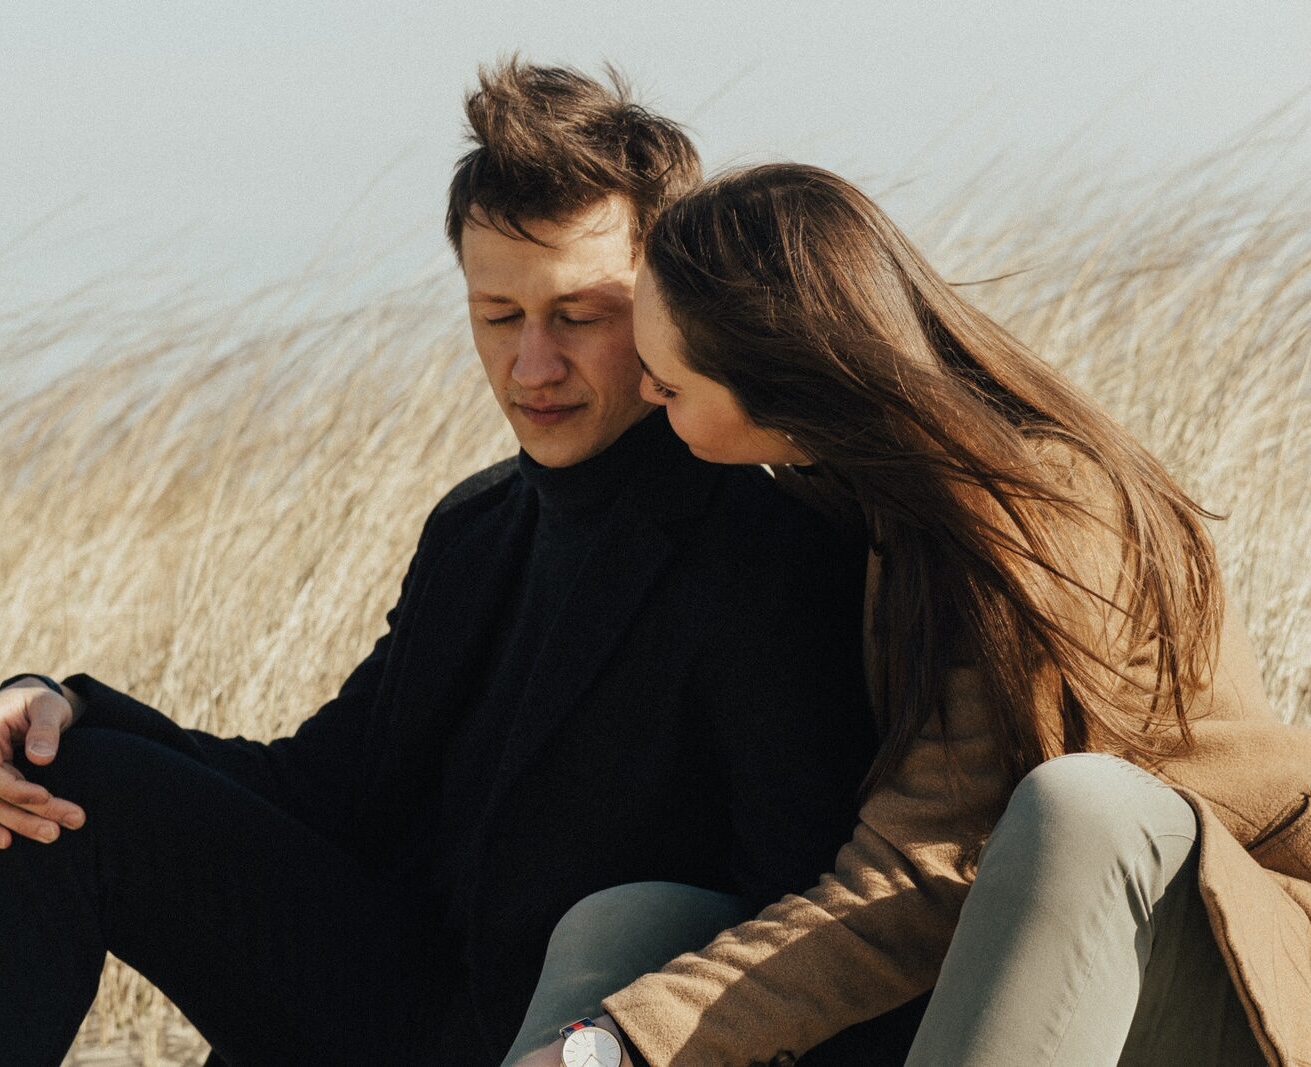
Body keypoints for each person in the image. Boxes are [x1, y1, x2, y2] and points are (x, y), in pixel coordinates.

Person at [0, 73, 898, 1066]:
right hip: (394, 1003)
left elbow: (798, 902)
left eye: (578, 314)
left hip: (559, 1038)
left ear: (662, 301)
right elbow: (323, 788)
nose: (532, 365)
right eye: (498, 315)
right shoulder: (473, 527)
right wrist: (53, 704)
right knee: (64, 783)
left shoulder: (766, 545)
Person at [511, 164, 1311, 1067]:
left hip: (1221, 961)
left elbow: (927, 875)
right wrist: (604, 1038)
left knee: (1081, 807)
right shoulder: (857, 506)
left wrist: (635, 1039)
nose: (652, 406)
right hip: (979, 942)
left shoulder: (1032, 511)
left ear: (782, 381)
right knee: (626, 921)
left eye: (669, 387)